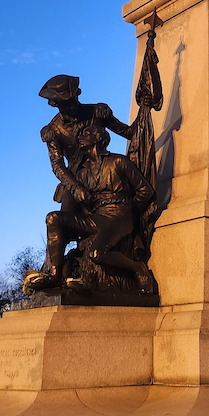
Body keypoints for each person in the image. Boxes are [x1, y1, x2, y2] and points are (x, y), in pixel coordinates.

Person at [29, 123, 156, 292]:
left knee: (96, 254)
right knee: (53, 218)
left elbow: (145, 191)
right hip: (96, 218)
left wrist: (129, 211)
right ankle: (55, 275)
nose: (80, 137)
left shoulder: (118, 162)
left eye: (86, 133)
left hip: (119, 216)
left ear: (98, 138)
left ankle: (137, 268)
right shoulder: (82, 173)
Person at [38, 74, 134, 211]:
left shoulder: (96, 112)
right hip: (77, 178)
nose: (71, 106)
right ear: (55, 104)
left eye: (73, 100)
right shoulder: (54, 130)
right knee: (64, 218)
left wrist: (144, 107)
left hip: (105, 171)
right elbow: (57, 165)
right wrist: (75, 187)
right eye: (65, 104)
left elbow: (128, 132)